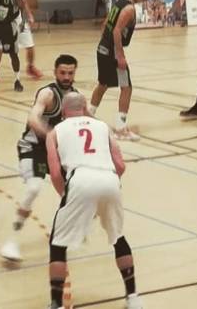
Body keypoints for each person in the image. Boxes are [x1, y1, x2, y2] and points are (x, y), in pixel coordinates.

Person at [45, 92, 142, 309]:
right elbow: (121, 166)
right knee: (118, 237)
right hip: (109, 179)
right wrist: (106, 189)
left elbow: (55, 174)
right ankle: (133, 297)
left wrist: (68, 196)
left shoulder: (55, 132)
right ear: (85, 108)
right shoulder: (102, 127)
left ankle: (56, 304)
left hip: (79, 179)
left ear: (63, 111)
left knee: (58, 242)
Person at [0, 54, 78, 262]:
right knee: (34, 188)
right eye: (63, 72)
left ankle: (62, 230)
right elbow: (33, 118)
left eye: (70, 73)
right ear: (55, 72)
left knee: (74, 192)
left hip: (56, 151)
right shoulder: (48, 94)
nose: (66, 77)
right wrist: (50, 135)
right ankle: (12, 240)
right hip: (34, 147)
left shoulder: (75, 97)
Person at [89, 0, 145, 141]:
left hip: (103, 48)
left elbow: (105, 24)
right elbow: (116, 31)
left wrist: (104, 43)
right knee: (126, 87)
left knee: (103, 84)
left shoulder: (118, 3)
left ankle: (88, 116)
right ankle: (120, 129)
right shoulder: (129, 9)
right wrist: (119, 55)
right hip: (112, 51)